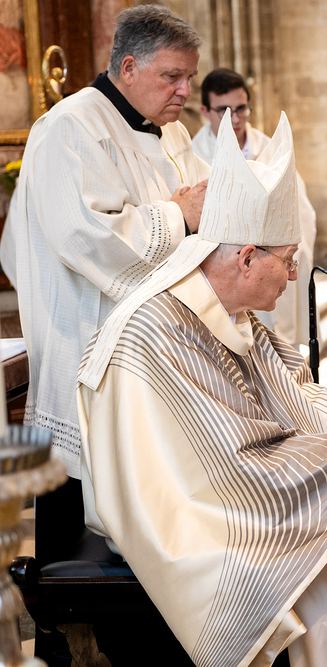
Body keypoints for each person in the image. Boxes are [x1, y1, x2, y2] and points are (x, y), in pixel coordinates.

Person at [76, 111, 327, 667]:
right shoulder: (159, 330)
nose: (291, 276)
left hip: (231, 489)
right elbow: (230, 465)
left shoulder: (229, 310)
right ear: (245, 257)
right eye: (287, 262)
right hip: (189, 520)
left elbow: (282, 402)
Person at [0, 5, 209, 566]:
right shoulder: (69, 128)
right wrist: (178, 216)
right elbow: (88, 236)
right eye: (173, 76)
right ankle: (63, 606)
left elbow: (204, 207)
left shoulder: (173, 131)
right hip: (86, 338)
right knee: (76, 500)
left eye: (189, 76)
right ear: (129, 66)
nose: (185, 91)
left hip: (153, 341)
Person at [192, 68, 317, 346]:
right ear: (205, 111)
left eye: (241, 109)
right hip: (231, 271)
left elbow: (301, 212)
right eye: (224, 111)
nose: (235, 119)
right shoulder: (194, 154)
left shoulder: (270, 149)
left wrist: (289, 255)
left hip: (272, 262)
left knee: (279, 339)